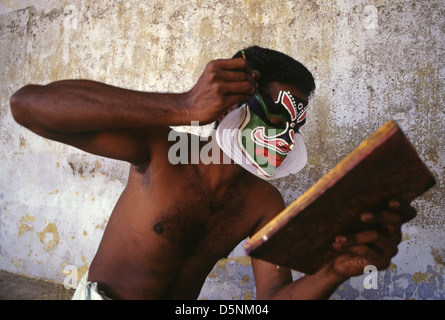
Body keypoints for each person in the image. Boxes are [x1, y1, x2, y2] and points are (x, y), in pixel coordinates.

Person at [9, 46, 415, 300]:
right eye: (277, 118)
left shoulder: (263, 203)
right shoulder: (162, 151)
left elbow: (273, 297)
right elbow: (28, 106)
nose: (286, 138)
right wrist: (183, 105)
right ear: (232, 102)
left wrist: (335, 270)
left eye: (296, 126)